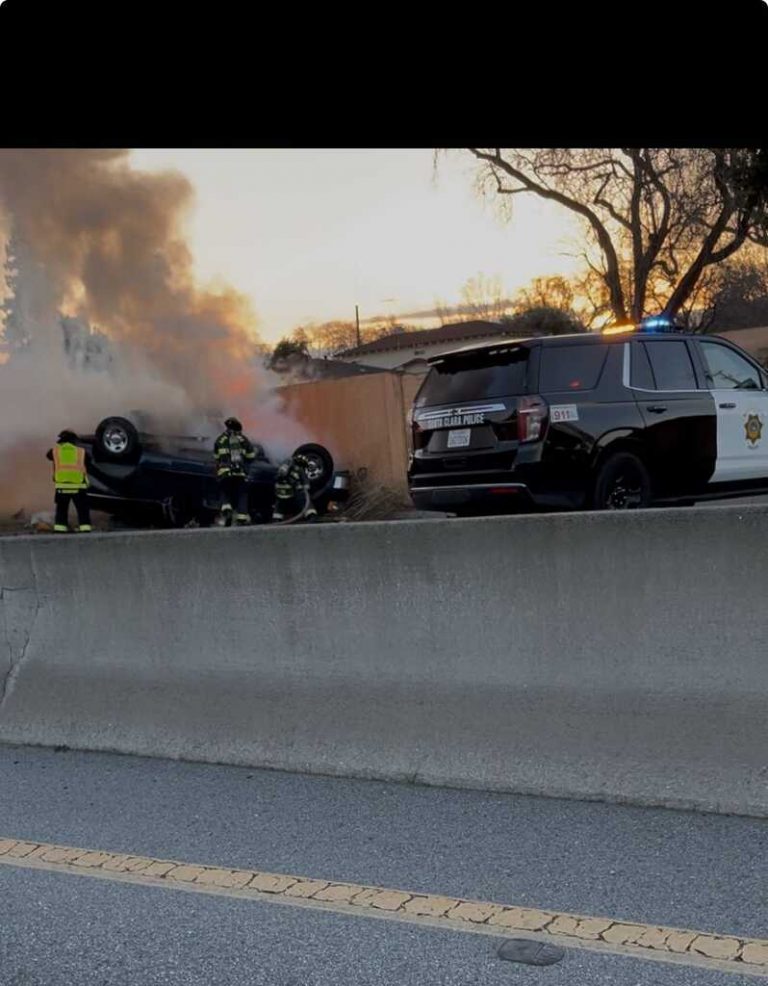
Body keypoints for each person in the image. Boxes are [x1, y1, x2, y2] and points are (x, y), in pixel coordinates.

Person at [45, 430, 92, 533]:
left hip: (62, 487)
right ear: (74, 441)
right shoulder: (81, 452)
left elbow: (48, 456)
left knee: (61, 508)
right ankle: (85, 528)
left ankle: (60, 528)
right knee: (82, 509)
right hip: (78, 486)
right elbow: (89, 461)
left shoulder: (55, 451)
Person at [213, 417, 256, 526]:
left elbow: (216, 457)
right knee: (242, 494)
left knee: (224, 491)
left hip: (224, 472)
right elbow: (250, 456)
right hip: (239, 473)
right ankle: (242, 516)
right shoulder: (243, 439)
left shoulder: (220, 439)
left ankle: (226, 508)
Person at [272, 453, 318, 522]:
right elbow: (306, 483)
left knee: (280, 505)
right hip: (292, 492)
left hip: (282, 493)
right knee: (304, 500)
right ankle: (311, 515)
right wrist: (305, 486)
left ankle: (276, 519)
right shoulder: (298, 469)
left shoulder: (280, 469)